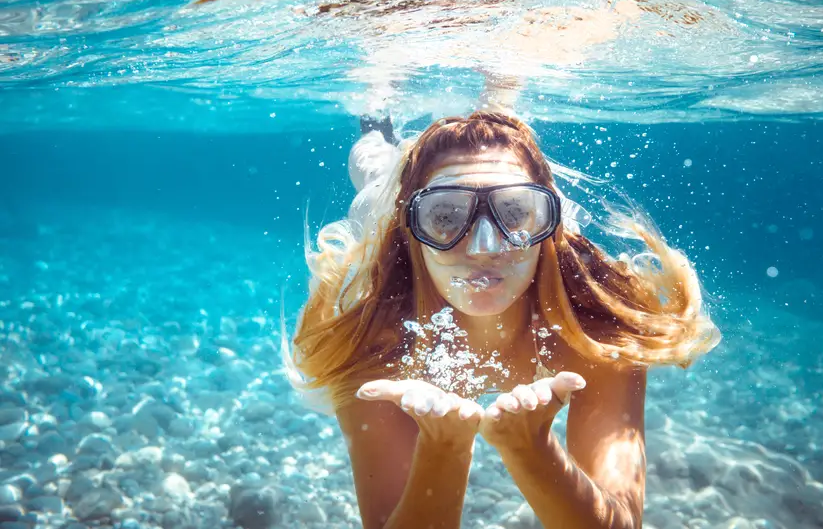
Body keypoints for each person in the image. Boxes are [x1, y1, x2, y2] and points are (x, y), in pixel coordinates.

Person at [282, 73, 721, 528]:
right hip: (384, 202)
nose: (484, 247)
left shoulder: (593, 323)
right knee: (375, 171)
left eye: (516, 214)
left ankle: (497, 105)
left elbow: (620, 522)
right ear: (412, 230)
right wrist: (443, 448)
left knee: (496, 165)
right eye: (444, 217)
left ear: (544, 230)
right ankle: (376, 125)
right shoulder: (375, 332)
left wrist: (533, 449)